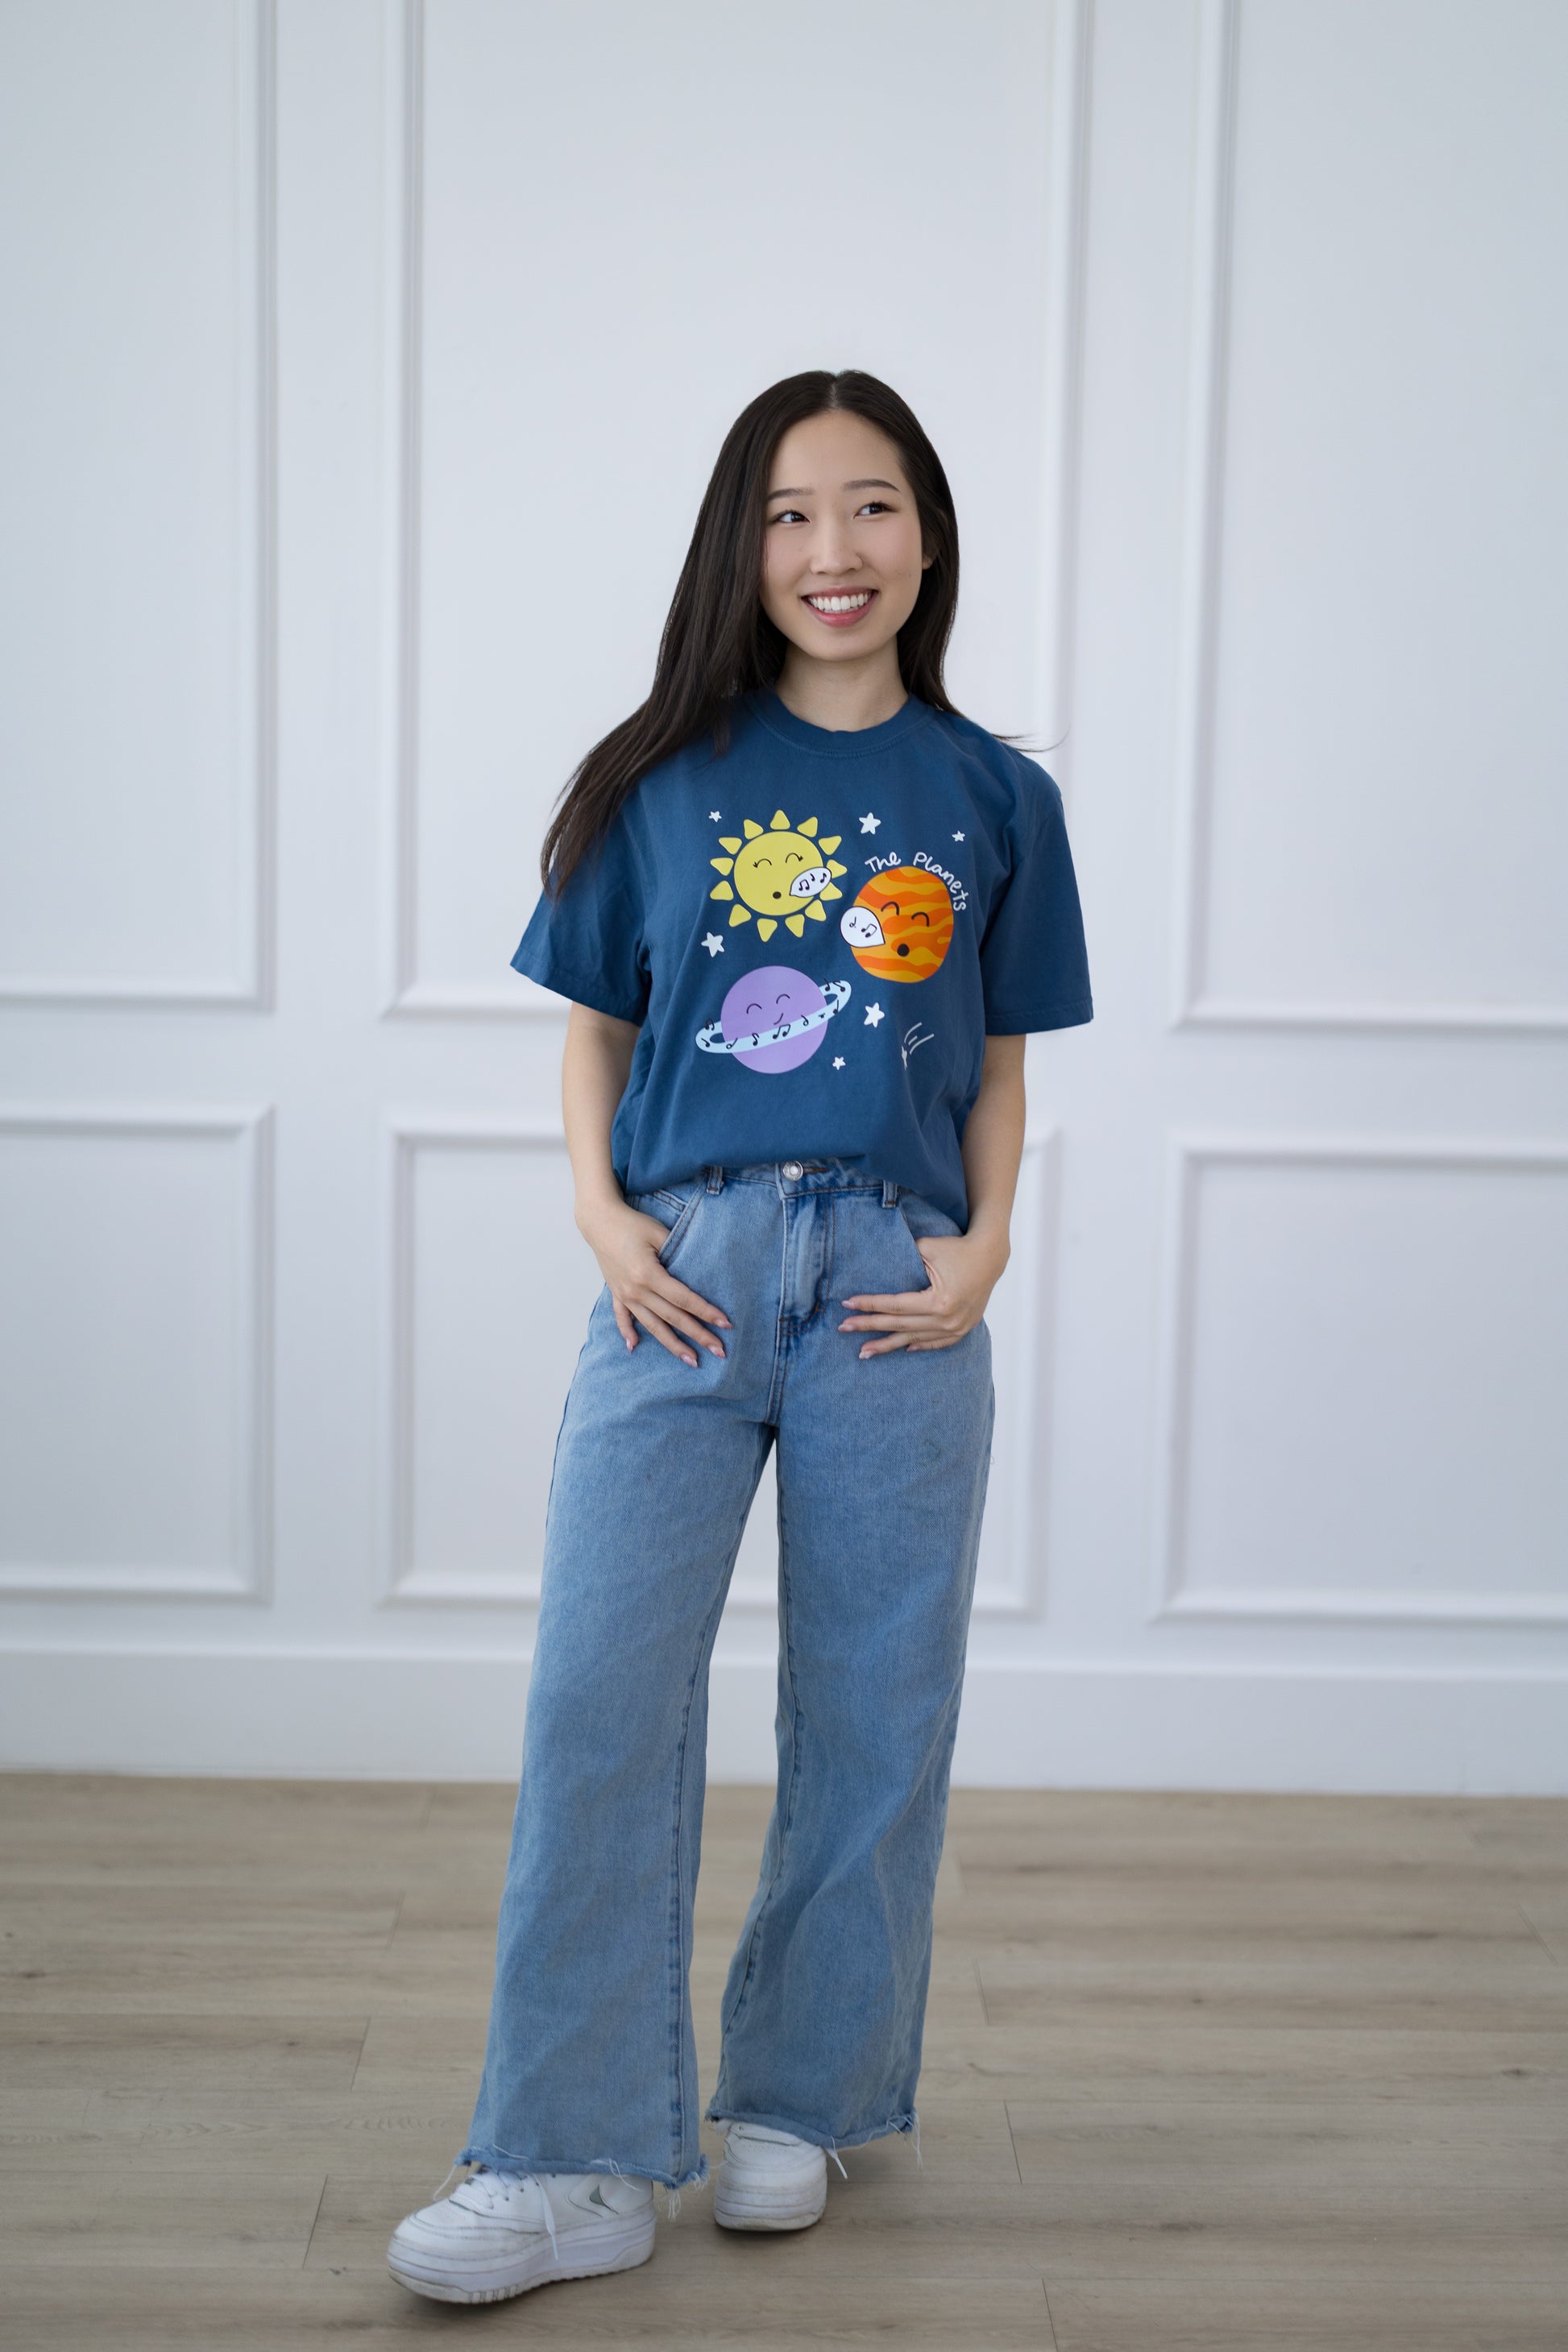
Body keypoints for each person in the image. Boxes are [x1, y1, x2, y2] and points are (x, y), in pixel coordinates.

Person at [388, 369, 1092, 2305]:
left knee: (877, 1705)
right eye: (790, 515)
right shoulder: (659, 779)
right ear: (741, 545)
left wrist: (988, 1246)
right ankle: (570, 2151)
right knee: (597, 1696)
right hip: (680, 1269)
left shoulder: (993, 797)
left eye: (870, 508)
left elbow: (1001, 1057)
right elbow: (594, 1027)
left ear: (926, 537)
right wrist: (606, 1216)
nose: (832, 551)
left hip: (897, 1285)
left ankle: (803, 2095)